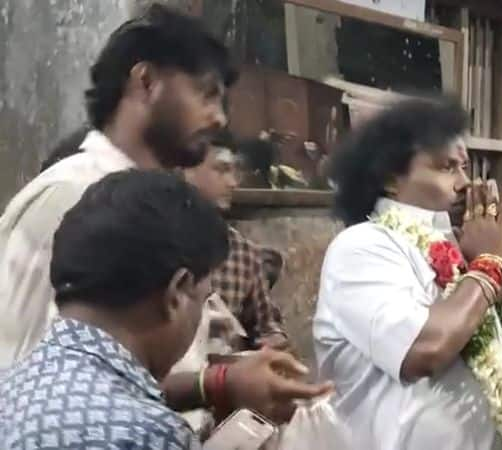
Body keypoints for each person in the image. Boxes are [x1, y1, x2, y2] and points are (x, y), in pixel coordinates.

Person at [0, 4, 329, 423]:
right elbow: (36, 384)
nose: (220, 117)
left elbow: (129, 367)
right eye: (206, 93)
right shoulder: (67, 197)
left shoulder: (155, 206)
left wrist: (225, 377)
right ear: (146, 81)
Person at [0, 170, 322, 449]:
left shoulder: (11, 389)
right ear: (177, 293)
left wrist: (218, 384)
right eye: (205, 299)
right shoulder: (148, 434)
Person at [313, 96, 502, 450]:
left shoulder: (461, 246)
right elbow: (423, 350)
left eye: (465, 166)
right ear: (390, 178)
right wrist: (489, 264)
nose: (464, 182)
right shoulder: (363, 247)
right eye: (447, 167)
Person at [183, 130, 288, 351]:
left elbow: (267, 326)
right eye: (221, 170)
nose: (232, 182)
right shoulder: (152, 240)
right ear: (185, 169)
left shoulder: (241, 252)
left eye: (234, 171)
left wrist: (272, 342)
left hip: (226, 377)